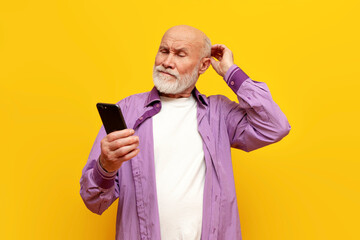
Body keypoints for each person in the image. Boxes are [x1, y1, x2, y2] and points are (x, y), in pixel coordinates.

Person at [80, 25, 291, 240]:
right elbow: (94, 201)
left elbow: (275, 126)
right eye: (164, 51)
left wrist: (231, 72)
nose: (167, 62)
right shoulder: (127, 110)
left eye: (180, 54)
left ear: (203, 65)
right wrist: (105, 167)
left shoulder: (219, 113)